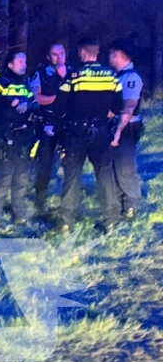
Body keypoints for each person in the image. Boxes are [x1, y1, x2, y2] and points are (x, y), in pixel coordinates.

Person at [56, 36, 124, 232]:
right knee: (104, 173)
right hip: (101, 130)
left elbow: (60, 105)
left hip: (76, 132)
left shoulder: (74, 76)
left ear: (82, 52)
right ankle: (111, 219)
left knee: (72, 174)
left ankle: (66, 222)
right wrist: (102, 116)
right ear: (97, 51)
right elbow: (118, 106)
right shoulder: (111, 75)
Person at [0, 51, 36, 227]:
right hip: (5, 137)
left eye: (25, 60)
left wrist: (27, 105)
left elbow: (34, 104)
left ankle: (20, 215)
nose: (24, 64)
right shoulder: (2, 81)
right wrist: (9, 101)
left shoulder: (26, 82)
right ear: (10, 65)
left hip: (23, 138)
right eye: (20, 60)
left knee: (22, 179)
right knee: (3, 178)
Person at [29, 43, 71, 216]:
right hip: (47, 122)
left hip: (68, 123)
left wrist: (66, 78)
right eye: (54, 54)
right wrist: (59, 97)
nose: (59, 57)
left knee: (72, 162)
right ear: (48, 57)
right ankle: (40, 198)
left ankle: (69, 200)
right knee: (45, 162)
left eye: (61, 53)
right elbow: (37, 98)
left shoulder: (73, 72)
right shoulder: (40, 74)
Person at [107, 40, 143, 219]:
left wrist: (118, 132)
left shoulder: (131, 78)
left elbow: (128, 107)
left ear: (119, 54)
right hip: (116, 127)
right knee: (114, 167)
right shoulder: (119, 75)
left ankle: (131, 206)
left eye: (111, 54)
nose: (109, 58)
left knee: (125, 167)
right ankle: (120, 203)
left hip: (126, 128)